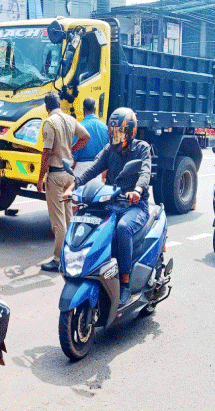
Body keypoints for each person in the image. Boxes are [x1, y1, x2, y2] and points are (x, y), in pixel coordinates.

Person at [64, 108, 153, 305]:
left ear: (130, 132)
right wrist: (72, 187)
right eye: (112, 131)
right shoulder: (109, 150)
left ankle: (126, 284)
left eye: (119, 132)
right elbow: (93, 169)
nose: (114, 135)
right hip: (113, 204)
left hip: (134, 206)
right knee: (97, 231)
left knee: (122, 229)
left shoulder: (141, 148)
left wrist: (137, 190)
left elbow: (145, 172)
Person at [37, 92, 89, 272]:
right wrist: (71, 151)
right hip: (69, 175)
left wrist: (40, 178)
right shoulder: (69, 119)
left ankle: (59, 259)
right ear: (59, 103)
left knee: (58, 221)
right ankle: (71, 253)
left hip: (56, 176)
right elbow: (85, 136)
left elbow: (46, 154)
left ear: (46, 107)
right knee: (68, 217)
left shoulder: (50, 123)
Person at [72, 97, 108, 178]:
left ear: (83, 110)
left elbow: (73, 155)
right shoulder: (105, 128)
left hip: (81, 170)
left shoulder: (79, 127)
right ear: (95, 110)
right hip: (100, 171)